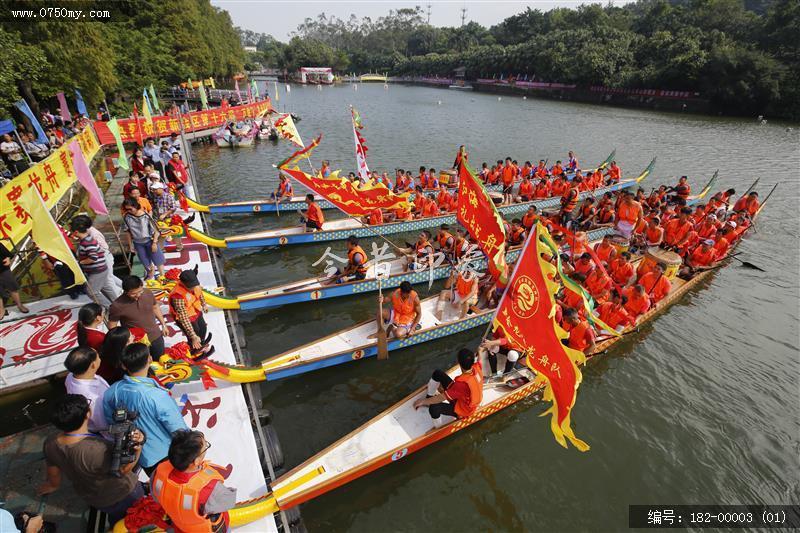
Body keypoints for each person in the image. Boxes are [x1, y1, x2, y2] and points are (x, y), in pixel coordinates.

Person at [39, 395, 145, 524]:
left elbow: (53, 472)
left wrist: (52, 486)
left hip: (93, 497)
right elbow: (123, 470)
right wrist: (137, 449)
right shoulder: (98, 448)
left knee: (117, 517)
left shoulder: (50, 443)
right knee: (137, 516)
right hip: (123, 494)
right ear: (87, 414)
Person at [103, 343, 188, 474]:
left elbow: (112, 421)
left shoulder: (112, 391)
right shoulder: (156, 396)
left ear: (124, 365)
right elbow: (178, 429)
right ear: (149, 359)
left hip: (142, 456)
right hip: (167, 454)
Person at [151, 430, 237, 532]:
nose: (206, 448)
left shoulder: (159, 473)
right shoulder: (210, 488)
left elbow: (156, 496)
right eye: (205, 447)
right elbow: (229, 502)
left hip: (179, 526)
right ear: (196, 461)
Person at [413, 348, 483, 428]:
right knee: (438, 373)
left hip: (463, 410)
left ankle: (438, 427)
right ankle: (429, 397)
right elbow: (480, 362)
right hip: (463, 398)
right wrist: (480, 351)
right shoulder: (476, 368)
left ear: (459, 362)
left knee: (434, 408)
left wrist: (423, 402)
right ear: (472, 362)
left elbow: (441, 397)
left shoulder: (462, 384)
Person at [109, 276, 168, 358]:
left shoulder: (147, 293)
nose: (138, 295)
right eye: (133, 293)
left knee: (161, 360)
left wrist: (163, 324)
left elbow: (155, 307)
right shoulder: (117, 305)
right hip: (137, 343)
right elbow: (112, 326)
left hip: (156, 336)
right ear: (125, 292)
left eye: (140, 291)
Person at [71, 219, 121, 306]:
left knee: (92, 292)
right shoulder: (88, 238)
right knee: (106, 287)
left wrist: (80, 262)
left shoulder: (88, 241)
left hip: (97, 270)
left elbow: (93, 258)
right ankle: (117, 305)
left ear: (76, 232)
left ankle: (109, 307)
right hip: (101, 268)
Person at [64, 347, 110, 432]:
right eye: (98, 357)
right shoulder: (93, 397)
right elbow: (102, 424)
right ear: (93, 365)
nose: (100, 358)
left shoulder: (71, 376)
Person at [122, 198, 165, 280]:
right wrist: (130, 245)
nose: (128, 211)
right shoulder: (127, 217)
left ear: (135, 206)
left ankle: (163, 276)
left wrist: (154, 243)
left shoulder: (146, 216)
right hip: (138, 243)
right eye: (126, 209)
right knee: (145, 262)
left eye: (130, 209)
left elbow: (156, 231)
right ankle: (151, 276)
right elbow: (127, 231)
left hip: (150, 241)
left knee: (158, 260)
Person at [168, 268, 210, 351]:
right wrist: (193, 335)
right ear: (183, 283)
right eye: (190, 287)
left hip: (195, 309)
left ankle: (201, 343)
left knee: (203, 327)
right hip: (185, 316)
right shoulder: (177, 296)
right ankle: (193, 348)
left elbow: (199, 293)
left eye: (194, 285)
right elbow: (183, 318)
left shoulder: (195, 285)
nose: (193, 288)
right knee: (195, 331)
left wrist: (203, 304)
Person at [150, 182, 183, 252]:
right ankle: (161, 248)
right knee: (162, 234)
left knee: (175, 233)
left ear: (161, 189)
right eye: (154, 189)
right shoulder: (155, 197)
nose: (154, 191)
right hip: (160, 220)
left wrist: (165, 214)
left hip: (170, 219)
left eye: (156, 189)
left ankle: (179, 246)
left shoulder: (169, 196)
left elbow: (173, 208)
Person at [0, 245, 29, 316]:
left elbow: (7, 254)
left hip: (3, 269)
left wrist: (8, 258)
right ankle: (1, 310)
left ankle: (20, 305)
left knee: (12, 287)